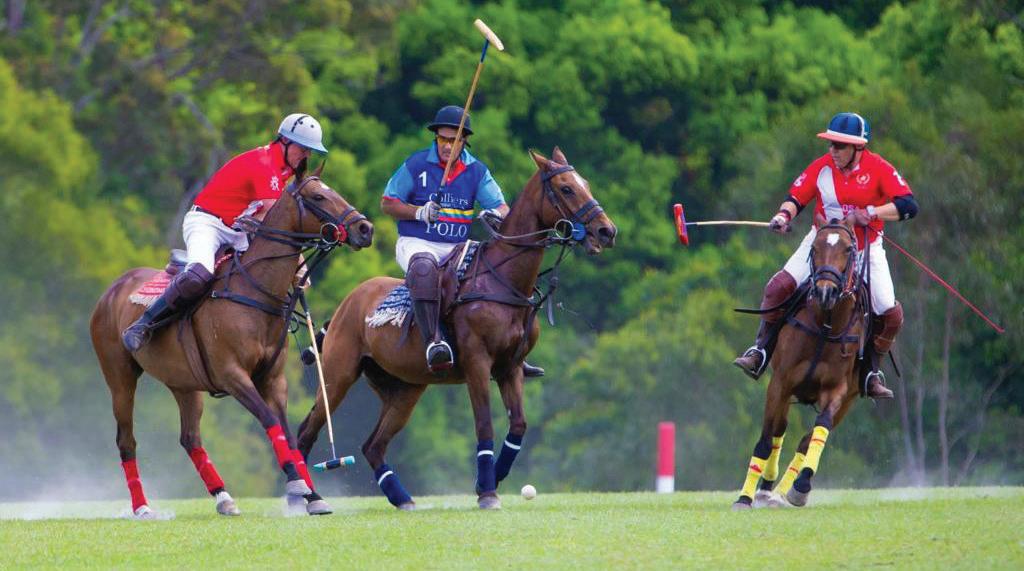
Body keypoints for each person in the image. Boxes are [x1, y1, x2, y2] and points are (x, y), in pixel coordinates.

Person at [733, 112, 919, 399]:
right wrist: (783, 216)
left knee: (890, 312)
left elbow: (908, 205)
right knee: (778, 287)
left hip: (865, 247)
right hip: (821, 244)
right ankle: (760, 351)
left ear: (858, 147)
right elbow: (796, 197)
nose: (833, 150)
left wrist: (872, 212)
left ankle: (870, 372)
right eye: (831, 144)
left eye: (839, 145)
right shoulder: (822, 168)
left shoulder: (879, 168)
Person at [122, 113, 328, 352]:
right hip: (208, 223)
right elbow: (273, 218)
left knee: (269, 273)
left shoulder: (284, 171)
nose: (306, 155)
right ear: (284, 141)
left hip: (238, 229)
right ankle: (143, 324)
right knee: (199, 274)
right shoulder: (264, 163)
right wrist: (299, 252)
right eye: (303, 148)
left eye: (310, 151)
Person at [381, 104, 543, 376]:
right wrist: (418, 212)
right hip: (417, 242)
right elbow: (388, 203)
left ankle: (514, 349)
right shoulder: (416, 164)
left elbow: (502, 207)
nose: (447, 146)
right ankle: (434, 342)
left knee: (503, 269)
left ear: (464, 141)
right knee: (424, 269)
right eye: (442, 139)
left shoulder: (476, 170)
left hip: (458, 247)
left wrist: (495, 214)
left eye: (453, 140)